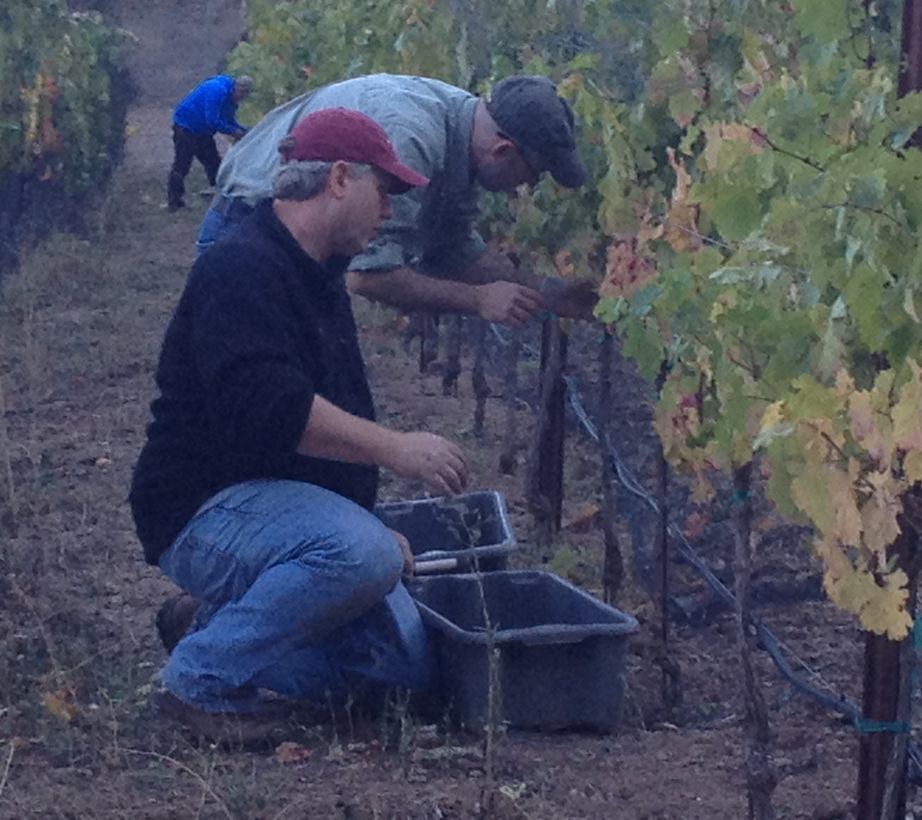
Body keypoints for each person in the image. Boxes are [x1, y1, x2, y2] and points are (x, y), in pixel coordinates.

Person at [130, 106, 471, 745]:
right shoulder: (243, 267)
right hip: (202, 508)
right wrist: (397, 454)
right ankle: (198, 679)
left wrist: (365, 522)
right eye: (386, 190)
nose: (390, 210)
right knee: (359, 555)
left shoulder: (317, 274)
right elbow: (272, 411)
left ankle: (212, 623)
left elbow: (320, 421)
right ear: (340, 178)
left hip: (272, 502)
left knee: (403, 671)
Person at [197, 73, 597, 325]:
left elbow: (453, 251)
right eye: (532, 174)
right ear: (503, 151)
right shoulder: (413, 136)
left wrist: (547, 291)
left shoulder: (464, 132)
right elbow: (367, 274)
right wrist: (478, 299)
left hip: (304, 246)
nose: (524, 187)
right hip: (251, 227)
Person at [166, 73, 253, 210]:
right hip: (186, 125)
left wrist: (246, 131)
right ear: (235, 86)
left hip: (203, 131)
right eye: (241, 92)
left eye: (245, 94)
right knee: (182, 164)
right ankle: (174, 201)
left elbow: (229, 119)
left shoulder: (231, 100)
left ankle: (219, 196)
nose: (241, 96)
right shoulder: (216, 91)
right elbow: (212, 120)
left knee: (214, 163)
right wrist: (233, 131)